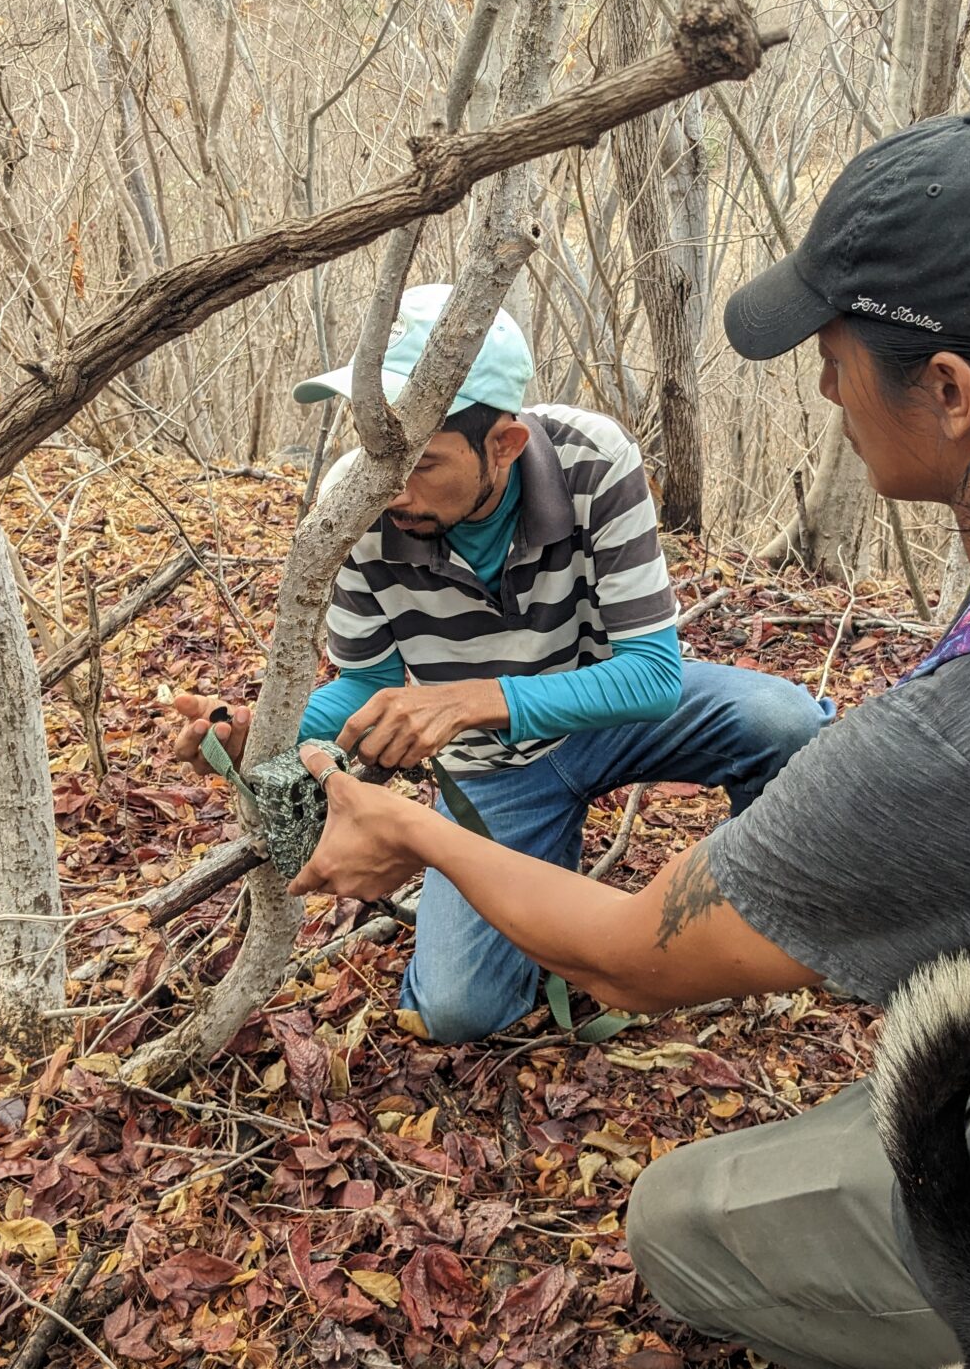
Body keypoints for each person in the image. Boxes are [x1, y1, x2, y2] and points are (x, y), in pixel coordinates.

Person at [285, 115, 970, 1369]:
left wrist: (413, 828)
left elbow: (629, 962)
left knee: (672, 1225)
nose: (821, 390)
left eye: (834, 358)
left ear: (953, 390)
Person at [168, 283, 829, 1044]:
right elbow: (367, 685)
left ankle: (782, 914)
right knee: (457, 1011)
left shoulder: (592, 460)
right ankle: (539, 904)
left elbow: (652, 674)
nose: (391, 490)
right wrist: (261, 732)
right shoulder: (354, 501)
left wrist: (476, 698)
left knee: (786, 724)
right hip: (493, 768)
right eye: (379, 453)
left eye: (420, 463)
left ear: (505, 446)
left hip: (607, 707)